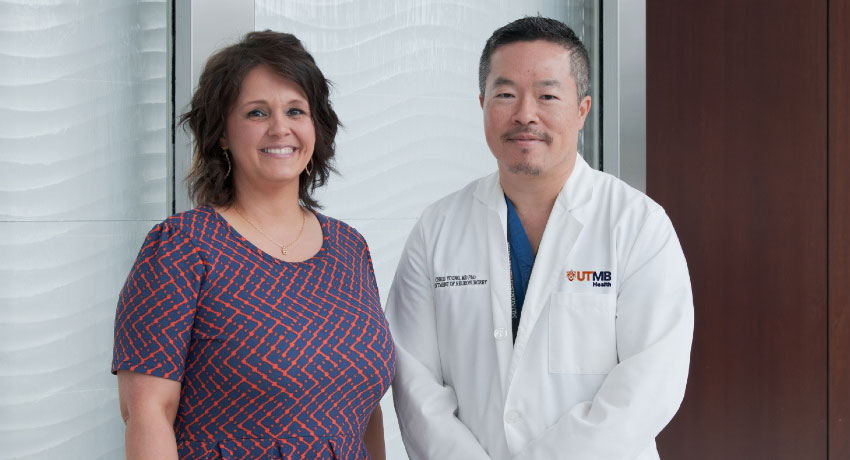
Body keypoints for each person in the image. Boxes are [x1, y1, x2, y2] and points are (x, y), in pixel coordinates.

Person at [385, 17, 694, 460]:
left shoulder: (638, 225)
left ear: (582, 109)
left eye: (547, 96)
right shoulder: (437, 229)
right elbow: (413, 382)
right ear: (482, 103)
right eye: (505, 94)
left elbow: (651, 382)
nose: (524, 114)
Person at [112, 31, 395, 460]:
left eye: (295, 110)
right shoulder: (182, 247)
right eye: (257, 112)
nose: (280, 127)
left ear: (315, 127)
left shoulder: (349, 249)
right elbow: (147, 411)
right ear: (222, 133)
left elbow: (364, 414)